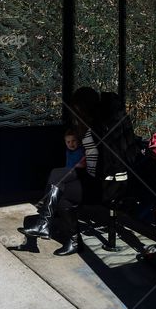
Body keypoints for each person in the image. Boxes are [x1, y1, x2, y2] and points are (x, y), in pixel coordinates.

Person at [22, 87, 100, 256]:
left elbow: (96, 159)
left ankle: (44, 223)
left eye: (78, 109)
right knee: (62, 194)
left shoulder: (95, 130)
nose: (75, 113)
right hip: (86, 178)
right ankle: (72, 240)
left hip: (96, 182)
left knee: (57, 175)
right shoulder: (86, 129)